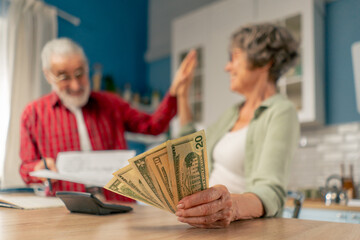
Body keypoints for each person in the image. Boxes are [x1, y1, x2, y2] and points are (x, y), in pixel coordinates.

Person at [19, 38, 193, 201]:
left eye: (80, 74)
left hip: (117, 204)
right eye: (64, 76)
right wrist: (37, 168)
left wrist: (175, 91)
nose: (75, 85)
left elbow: (154, 126)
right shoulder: (33, 113)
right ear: (48, 75)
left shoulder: (111, 104)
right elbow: (25, 169)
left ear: (87, 69)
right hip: (63, 207)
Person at [174, 23, 300, 228]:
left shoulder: (281, 111)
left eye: (234, 57)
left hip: (237, 229)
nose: (227, 67)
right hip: (207, 224)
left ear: (265, 61)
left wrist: (230, 207)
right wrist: (183, 93)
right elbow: (189, 147)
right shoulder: (232, 114)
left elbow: (271, 192)